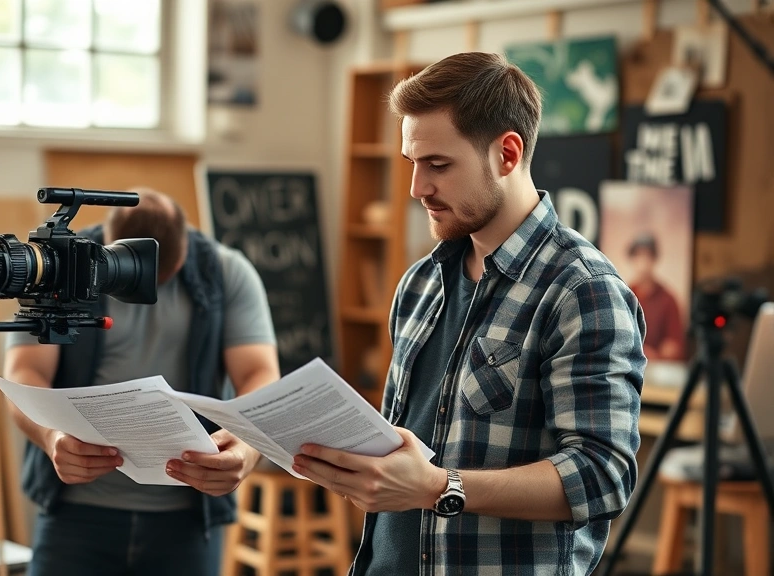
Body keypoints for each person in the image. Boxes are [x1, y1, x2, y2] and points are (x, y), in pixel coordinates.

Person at [292, 52, 647, 575]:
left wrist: (440, 486)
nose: (417, 189)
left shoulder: (581, 291)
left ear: (507, 153)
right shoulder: (419, 285)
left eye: (438, 165)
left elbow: (603, 475)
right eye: (412, 163)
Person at [4, 188, 281, 576]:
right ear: (109, 242)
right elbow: (25, 374)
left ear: (186, 242)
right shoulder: (57, 269)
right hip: (76, 513)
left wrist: (249, 446)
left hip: (187, 518)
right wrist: (52, 437)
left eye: (162, 275)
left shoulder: (226, 272)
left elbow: (259, 373)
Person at [627, 233, 687, 361]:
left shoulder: (668, 299)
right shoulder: (624, 295)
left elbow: (674, 346)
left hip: (658, 371)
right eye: (638, 255)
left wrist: (655, 354)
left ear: (654, 258)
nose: (642, 261)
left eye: (647, 255)